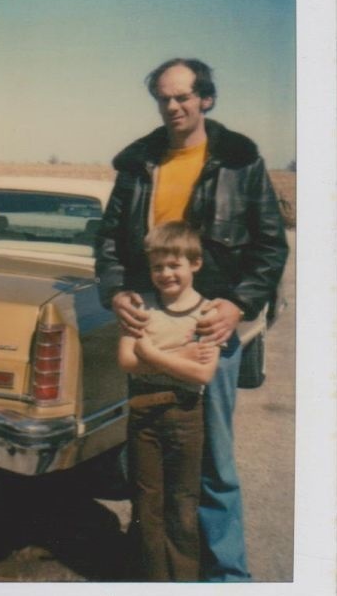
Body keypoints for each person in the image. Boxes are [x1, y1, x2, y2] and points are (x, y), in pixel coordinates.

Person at [95, 57, 289, 582]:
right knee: (151, 457)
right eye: (164, 97)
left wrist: (238, 304)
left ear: (206, 98)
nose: (173, 106)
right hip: (149, 322)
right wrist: (115, 293)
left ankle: (227, 576)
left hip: (209, 325)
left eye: (183, 96)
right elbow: (111, 241)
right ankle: (158, 567)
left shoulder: (239, 161)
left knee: (213, 462)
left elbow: (271, 246)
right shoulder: (138, 164)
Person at [118, 221, 219, 581]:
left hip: (185, 416)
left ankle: (184, 580)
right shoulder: (139, 307)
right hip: (143, 417)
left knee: (183, 504)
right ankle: (153, 579)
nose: (165, 274)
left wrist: (152, 352)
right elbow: (127, 361)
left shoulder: (209, 313)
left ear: (195, 263)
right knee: (147, 504)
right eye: (157, 266)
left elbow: (202, 375)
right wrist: (181, 354)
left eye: (174, 265)